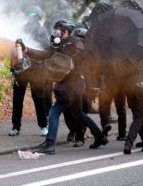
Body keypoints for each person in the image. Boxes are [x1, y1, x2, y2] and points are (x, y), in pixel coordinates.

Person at [25, 19, 108, 155]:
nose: (55, 34)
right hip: (67, 85)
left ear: (66, 32)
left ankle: (50, 144)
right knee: (78, 114)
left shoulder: (74, 41)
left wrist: (74, 59)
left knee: (54, 112)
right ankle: (100, 137)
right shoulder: (58, 45)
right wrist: (26, 50)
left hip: (73, 85)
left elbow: (84, 55)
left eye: (58, 31)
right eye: (54, 31)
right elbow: (43, 54)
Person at [9, 6, 52, 137]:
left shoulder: (42, 31)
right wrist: (13, 65)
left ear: (38, 17)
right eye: (28, 15)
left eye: (33, 15)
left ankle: (43, 126)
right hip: (22, 69)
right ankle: (16, 127)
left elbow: (45, 50)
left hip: (37, 70)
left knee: (39, 98)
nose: (30, 18)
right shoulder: (21, 29)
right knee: (17, 99)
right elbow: (13, 49)